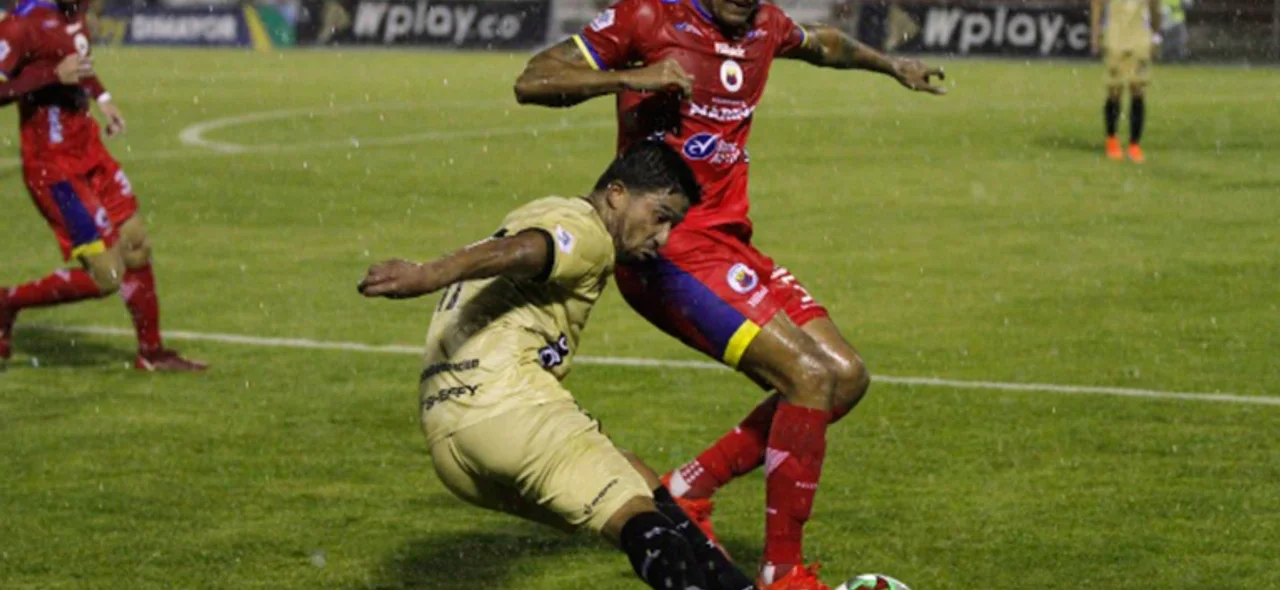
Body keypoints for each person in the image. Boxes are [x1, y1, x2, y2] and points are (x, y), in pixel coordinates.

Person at [513, 1, 945, 587]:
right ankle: (783, 574)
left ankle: (689, 488)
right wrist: (630, 78)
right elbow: (533, 80)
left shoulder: (764, 24)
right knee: (809, 379)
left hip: (730, 244)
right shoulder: (646, 17)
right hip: (666, 250)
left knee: (845, 376)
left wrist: (891, 65)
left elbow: (824, 44)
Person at [359, 140, 756, 590]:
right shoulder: (587, 233)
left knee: (636, 480)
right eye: (660, 216)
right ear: (618, 194)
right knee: (639, 519)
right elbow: (532, 250)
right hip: (507, 407)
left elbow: (520, 246)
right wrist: (430, 273)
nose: (662, 237)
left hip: (450, 439)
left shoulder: (547, 208)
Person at [0, 0, 206, 371]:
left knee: (136, 244)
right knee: (107, 276)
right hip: (54, 169)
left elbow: (78, 63)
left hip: (90, 151)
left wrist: (104, 99)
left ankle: (152, 353)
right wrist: (49, 75)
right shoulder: (20, 25)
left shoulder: (75, 12)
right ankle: (7, 302)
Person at [1092, 0, 1162, 163]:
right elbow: (1097, 5)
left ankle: (1134, 144)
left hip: (1139, 40)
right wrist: (1095, 35)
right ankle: (1112, 140)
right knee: (1114, 91)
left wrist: (1156, 35)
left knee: (1137, 90)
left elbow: (1154, 7)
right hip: (1115, 39)